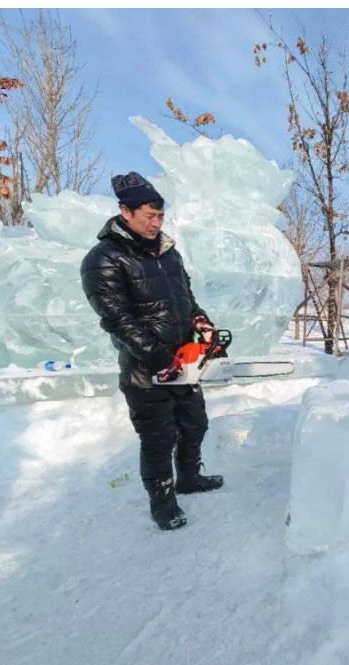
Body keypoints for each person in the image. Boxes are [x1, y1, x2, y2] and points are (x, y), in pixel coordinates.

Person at [80, 172, 223, 531]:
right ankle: (162, 504)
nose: (156, 224)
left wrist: (202, 322)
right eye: (148, 217)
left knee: (195, 424)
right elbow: (118, 320)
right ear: (124, 212)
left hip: (184, 360)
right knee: (159, 438)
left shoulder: (169, 254)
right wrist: (162, 359)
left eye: (160, 217)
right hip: (146, 369)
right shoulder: (103, 259)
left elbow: (186, 299)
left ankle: (189, 478)